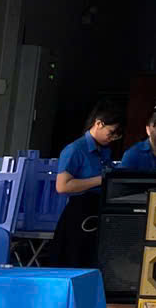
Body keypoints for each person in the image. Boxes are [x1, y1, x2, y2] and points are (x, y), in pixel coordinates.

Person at [37, 100, 124, 271]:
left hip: (100, 207)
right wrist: (100, 180)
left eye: (117, 135)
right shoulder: (76, 149)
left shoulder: (104, 150)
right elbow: (62, 186)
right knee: (75, 261)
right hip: (80, 209)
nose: (112, 138)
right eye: (111, 132)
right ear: (99, 124)